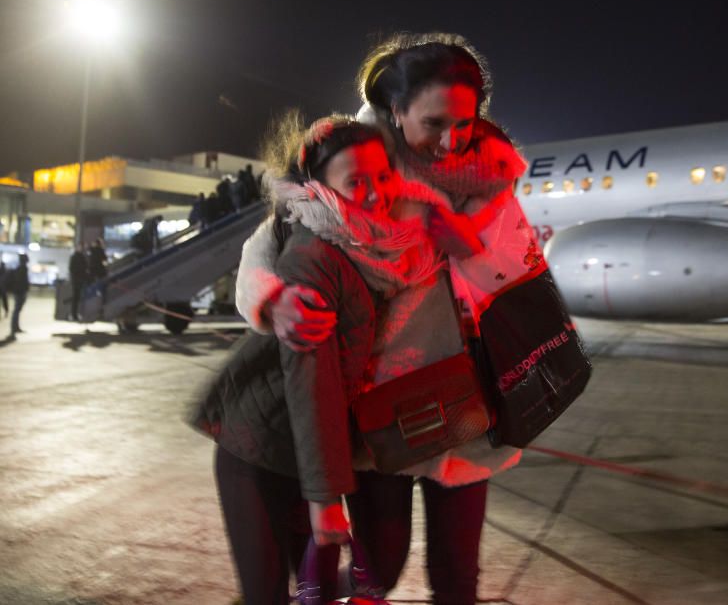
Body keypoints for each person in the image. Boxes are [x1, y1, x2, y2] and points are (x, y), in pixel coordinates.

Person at [236, 33, 527, 605]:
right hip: (380, 408)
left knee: (457, 576)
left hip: (465, 400)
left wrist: (470, 244)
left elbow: (518, 264)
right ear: (396, 111)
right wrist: (274, 300)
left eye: (465, 124)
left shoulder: (488, 177)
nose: (452, 142)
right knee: (380, 569)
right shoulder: (351, 161)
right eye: (435, 123)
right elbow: (265, 247)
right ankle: (308, 593)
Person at [192, 115, 445, 604]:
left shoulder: (369, 243)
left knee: (316, 589)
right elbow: (313, 385)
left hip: (305, 457)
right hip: (257, 450)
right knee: (267, 593)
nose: (374, 193)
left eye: (382, 177)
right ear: (319, 190)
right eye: (355, 182)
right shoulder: (317, 255)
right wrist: (326, 500)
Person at [8, 253, 29, 338]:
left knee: (17, 310)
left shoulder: (20, 268)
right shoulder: (22, 269)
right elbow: (22, 282)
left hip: (19, 292)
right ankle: (14, 328)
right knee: (17, 310)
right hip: (20, 292)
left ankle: (15, 327)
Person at [69, 243, 89, 321]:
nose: (80, 249)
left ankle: (77, 314)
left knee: (78, 298)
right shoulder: (75, 257)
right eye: (79, 247)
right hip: (77, 280)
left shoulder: (80, 257)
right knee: (76, 298)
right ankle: (74, 314)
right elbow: (72, 269)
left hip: (79, 280)